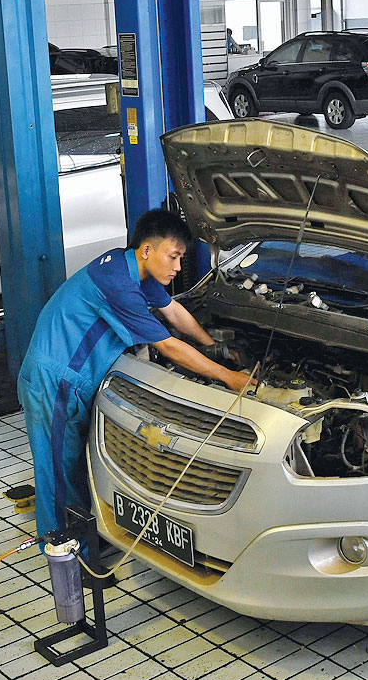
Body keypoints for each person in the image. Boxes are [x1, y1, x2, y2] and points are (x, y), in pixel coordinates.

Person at [17, 209, 252, 540]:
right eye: (173, 257)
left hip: (73, 379)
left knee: (73, 463)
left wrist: (214, 347)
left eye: (181, 258)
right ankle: (67, 557)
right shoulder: (117, 283)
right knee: (58, 473)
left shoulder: (132, 269)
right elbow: (168, 346)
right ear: (147, 250)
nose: (178, 267)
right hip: (54, 381)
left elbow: (174, 311)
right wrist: (228, 377)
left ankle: (88, 536)